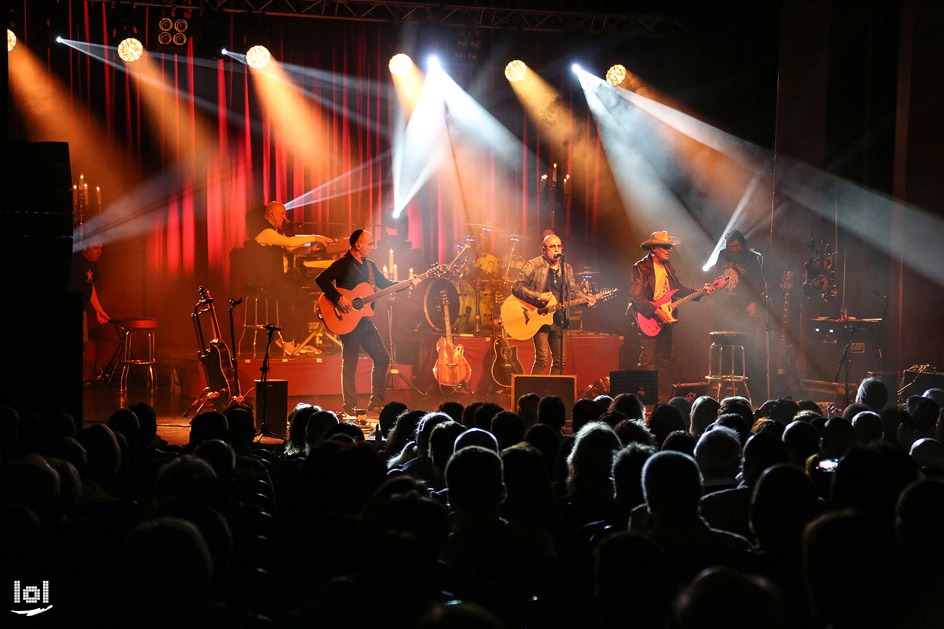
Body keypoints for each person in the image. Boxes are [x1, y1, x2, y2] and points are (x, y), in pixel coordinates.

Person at [316, 229, 417, 415]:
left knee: (382, 357)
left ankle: (376, 402)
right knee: (350, 362)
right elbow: (321, 279)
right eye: (369, 244)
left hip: (364, 321)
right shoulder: (343, 263)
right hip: (346, 320)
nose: (373, 247)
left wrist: (407, 283)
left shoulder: (370, 265)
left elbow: (386, 284)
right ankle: (350, 406)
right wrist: (338, 298)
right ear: (357, 245)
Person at [244, 201, 334, 353]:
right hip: (269, 281)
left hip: (280, 281)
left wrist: (310, 249)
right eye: (282, 214)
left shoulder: (276, 232)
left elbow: (291, 248)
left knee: (302, 300)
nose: (285, 218)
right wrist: (316, 237)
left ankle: (293, 341)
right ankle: (287, 340)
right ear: (271, 214)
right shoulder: (264, 232)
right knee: (304, 302)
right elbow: (289, 242)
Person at [629, 231, 707, 402]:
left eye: (670, 247)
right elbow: (636, 298)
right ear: (654, 248)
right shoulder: (641, 267)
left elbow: (679, 289)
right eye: (665, 246)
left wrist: (701, 292)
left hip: (667, 319)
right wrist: (656, 311)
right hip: (648, 318)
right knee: (648, 360)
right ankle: (647, 400)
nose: (669, 249)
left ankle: (663, 398)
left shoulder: (668, 268)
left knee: (664, 360)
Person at [511, 233, 596, 374]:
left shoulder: (566, 268)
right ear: (543, 249)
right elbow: (516, 287)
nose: (556, 250)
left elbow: (573, 291)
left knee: (560, 361)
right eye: (552, 246)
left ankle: (551, 393)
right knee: (542, 359)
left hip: (559, 319)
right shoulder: (534, 265)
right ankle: (534, 393)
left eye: (559, 246)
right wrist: (538, 297)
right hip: (539, 319)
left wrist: (586, 300)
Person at [710, 229, 766, 398]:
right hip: (723, 306)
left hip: (742, 307)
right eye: (730, 246)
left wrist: (753, 302)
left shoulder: (751, 258)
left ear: (742, 244)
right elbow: (716, 275)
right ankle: (725, 385)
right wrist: (712, 295)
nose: (733, 249)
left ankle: (744, 386)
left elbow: (758, 283)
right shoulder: (723, 255)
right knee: (723, 344)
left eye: (736, 246)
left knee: (743, 345)